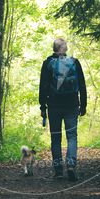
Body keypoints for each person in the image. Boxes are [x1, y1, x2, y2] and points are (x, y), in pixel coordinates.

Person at [39, 38, 87, 181]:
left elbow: (43, 87)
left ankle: (59, 171)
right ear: (64, 48)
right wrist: (83, 104)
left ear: (54, 49)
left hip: (54, 105)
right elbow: (82, 85)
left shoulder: (47, 63)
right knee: (72, 136)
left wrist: (43, 106)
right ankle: (71, 165)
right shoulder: (74, 62)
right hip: (72, 104)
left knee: (56, 138)